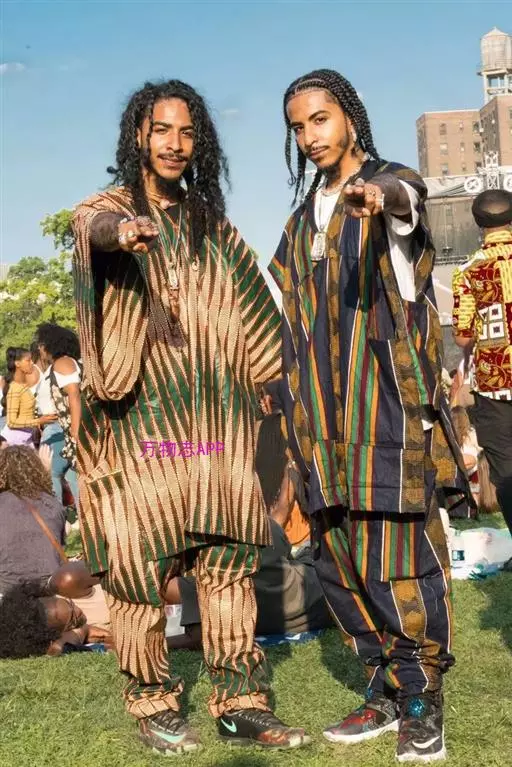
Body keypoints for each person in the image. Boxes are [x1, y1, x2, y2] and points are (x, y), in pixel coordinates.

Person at [71, 79, 309, 755]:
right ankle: (153, 701)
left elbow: (259, 316)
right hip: (140, 430)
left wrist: (280, 388)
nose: (174, 144)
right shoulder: (108, 208)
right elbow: (91, 231)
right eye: (161, 131)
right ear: (138, 137)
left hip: (217, 430)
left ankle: (240, 703)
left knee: (228, 564)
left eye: (186, 133)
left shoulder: (215, 228)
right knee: (139, 570)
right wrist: (123, 234)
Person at [268, 69, 468, 763]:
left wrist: (378, 198)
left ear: (350, 116)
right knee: (341, 565)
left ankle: (421, 698)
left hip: (384, 414)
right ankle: (384, 687)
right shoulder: (300, 222)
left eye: (320, 118)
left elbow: (409, 198)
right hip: (319, 427)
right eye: (298, 126)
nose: (309, 135)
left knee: (399, 561)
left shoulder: (388, 185)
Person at [452, 189, 512, 564]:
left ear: (479, 224)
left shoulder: (467, 271)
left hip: (494, 382)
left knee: (506, 471)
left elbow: (462, 336)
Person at [0, 444, 66, 596]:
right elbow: (59, 544)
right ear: (37, 470)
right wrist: (47, 475)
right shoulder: (52, 504)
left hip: (7, 589)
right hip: (49, 586)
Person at [35, 323, 82, 505]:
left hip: (70, 430)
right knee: (72, 475)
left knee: (51, 472)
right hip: (65, 430)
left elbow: (74, 394)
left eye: (41, 344)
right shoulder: (61, 363)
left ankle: (55, 512)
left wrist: (75, 432)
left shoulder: (63, 363)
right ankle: (82, 513)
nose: (40, 349)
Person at [0, 348, 56, 447]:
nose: (32, 363)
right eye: (28, 360)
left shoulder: (23, 385)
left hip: (26, 439)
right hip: (14, 442)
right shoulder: (15, 388)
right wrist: (39, 421)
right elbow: (11, 422)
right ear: (17, 364)